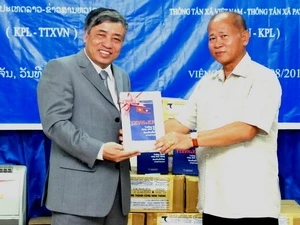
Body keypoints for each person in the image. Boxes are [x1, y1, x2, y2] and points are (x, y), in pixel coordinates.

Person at [155, 12, 282, 225]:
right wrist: (138, 131)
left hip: (252, 206)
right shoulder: (206, 84)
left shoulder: (263, 78)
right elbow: (179, 125)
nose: (217, 43)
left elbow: (245, 130)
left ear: (244, 37)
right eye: (212, 38)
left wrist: (192, 140)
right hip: (213, 203)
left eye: (224, 36)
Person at [37, 7, 140, 225]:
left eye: (116, 38)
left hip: (116, 198)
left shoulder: (122, 76)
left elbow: (118, 121)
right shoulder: (61, 68)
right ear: (86, 35)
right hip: (76, 197)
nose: (108, 44)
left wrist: (131, 135)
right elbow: (55, 124)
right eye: (101, 35)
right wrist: (101, 150)